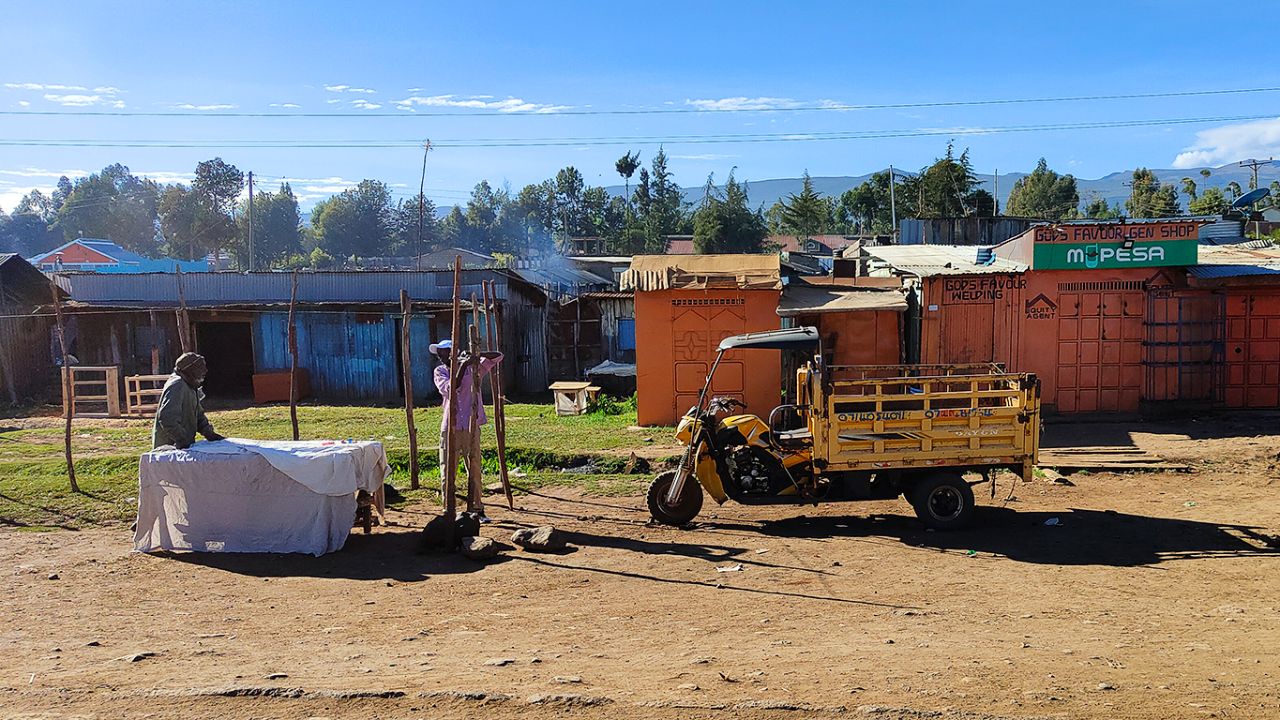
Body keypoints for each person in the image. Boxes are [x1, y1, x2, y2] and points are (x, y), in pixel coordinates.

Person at [430, 339, 503, 520]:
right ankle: (449, 509)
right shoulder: (440, 371)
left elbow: (498, 356)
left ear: (453, 352)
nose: (440, 355)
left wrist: (476, 356)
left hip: (471, 426)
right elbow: (452, 387)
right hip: (451, 428)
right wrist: (462, 365)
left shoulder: (474, 369)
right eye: (439, 352)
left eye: (443, 351)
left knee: (474, 468)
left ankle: (477, 508)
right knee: (447, 470)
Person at [152, 352, 225, 450]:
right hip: (170, 449)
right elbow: (167, 418)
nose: (205, 371)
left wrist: (210, 434)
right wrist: (182, 440)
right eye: (200, 368)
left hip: (184, 446)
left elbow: (198, 414)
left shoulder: (190, 384)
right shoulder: (177, 384)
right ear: (190, 369)